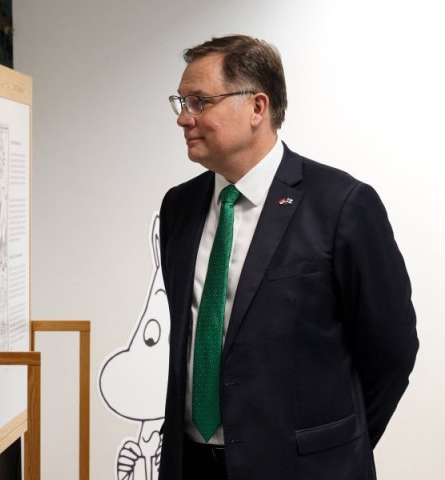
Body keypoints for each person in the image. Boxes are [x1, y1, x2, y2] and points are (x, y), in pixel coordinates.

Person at [157, 34, 418, 480]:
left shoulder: (342, 205)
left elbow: (392, 352)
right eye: (181, 102)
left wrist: (334, 450)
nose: (184, 118)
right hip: (191, 466)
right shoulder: (178, 208)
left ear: (257, 107)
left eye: (200, 101)